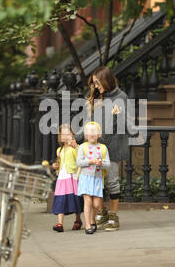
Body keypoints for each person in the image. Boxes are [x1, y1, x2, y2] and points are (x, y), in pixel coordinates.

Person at [75, 66, 129, 231]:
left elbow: (121, 126)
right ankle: (103, 212)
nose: (96, 86)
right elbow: (88, 122)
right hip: (95, 148)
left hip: (113, 146)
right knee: (96, 183)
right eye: (94, 83)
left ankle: (113, 215)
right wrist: (75, 137)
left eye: (97, 83)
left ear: (106, 80)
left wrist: (114, 115)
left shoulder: (121, 97)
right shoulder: (97, 98)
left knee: (112, 181)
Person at [77, 122, 110, 234]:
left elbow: (108, 164)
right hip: (85, 178)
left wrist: (101, 163)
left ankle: (92, 219)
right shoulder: (83, 147)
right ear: (85, 135)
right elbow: (79, 162)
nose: (91, 134)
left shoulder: (103, 148)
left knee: (96, 204)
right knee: (88, 202)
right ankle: (87, 225)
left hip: (97, 179)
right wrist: (90, 161)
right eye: (89, 132)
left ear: (99, 134)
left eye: (94, 132)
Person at [51, 124, 84, 232]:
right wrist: (55, 166)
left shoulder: (74, 148)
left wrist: (75, 146)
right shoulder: (59, 150)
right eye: (62, 134)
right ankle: (60, 223)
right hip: (62, 178)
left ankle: (78, 219)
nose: (65, 136)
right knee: (61, 199)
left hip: (72, 177)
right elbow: (60, 163)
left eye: (67, 133)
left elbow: (80, 156)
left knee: (74, 199)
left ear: (72, 135)